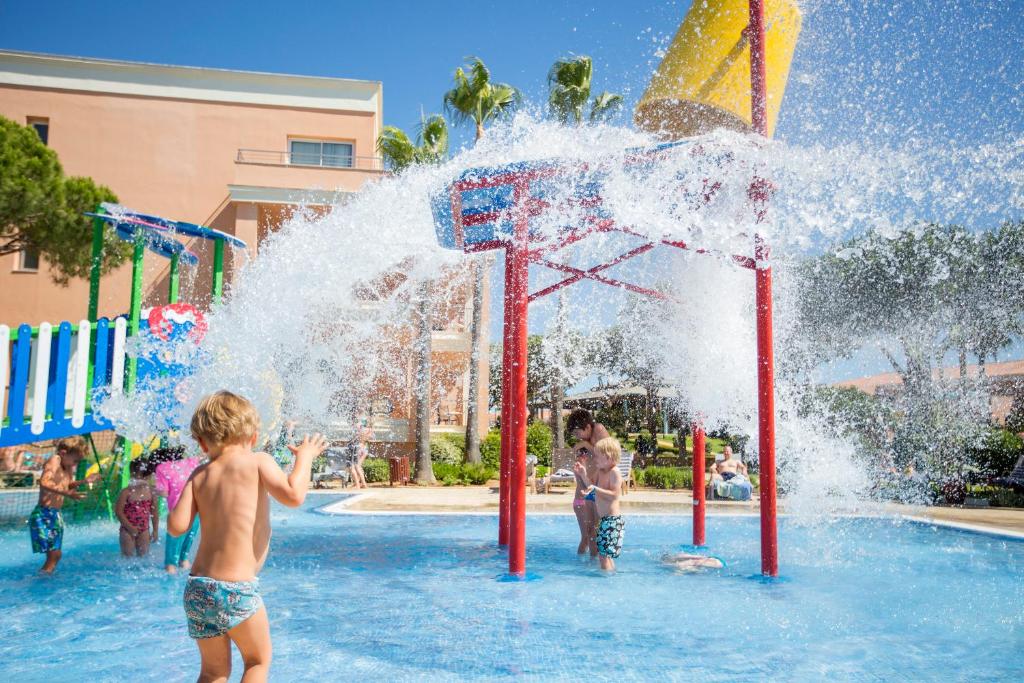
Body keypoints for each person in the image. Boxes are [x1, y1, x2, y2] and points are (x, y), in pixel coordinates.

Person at [168, 390, 325, 683]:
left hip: (198, 589)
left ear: (202, 443)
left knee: (213, 671)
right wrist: (304, 459)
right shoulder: (258, 461)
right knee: (256, 662)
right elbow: (293, 495)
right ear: (253, 436)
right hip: (236, 590)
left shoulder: (199, 475)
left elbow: (176, 527)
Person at [30, 437, 97, 573]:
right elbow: (44, 482)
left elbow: (67, 485)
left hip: (55, 514)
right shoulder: (55, 460)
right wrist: (67, 493)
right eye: (75, 460)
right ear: (63, 453)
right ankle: (41, 582)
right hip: (44, 514)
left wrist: (84, 481)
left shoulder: (67, 468)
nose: (75, 464)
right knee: (54, 555)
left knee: (56, 555)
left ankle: (43, 578)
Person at [575, 436, 624, 571]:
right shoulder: (601, 472)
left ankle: (606, 582)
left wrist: (595, 489)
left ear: (608, 457)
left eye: (597, 456)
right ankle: (610, 576)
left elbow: (615, 495)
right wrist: (583, 474)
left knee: (604, 556)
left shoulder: (615, 472)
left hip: (613, 521)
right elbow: (591, 486)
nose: (594, 459)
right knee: (604, 556)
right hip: (604, 520)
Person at [153, 445, 202, 574]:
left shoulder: (162, 468)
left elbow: (163, 493)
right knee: (184, 556)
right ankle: (184, 563)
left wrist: (152, 489)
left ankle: (171, 569)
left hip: (178, 510)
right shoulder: (191, 462)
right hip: (196, 509)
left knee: (171, 561)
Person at [115, 458, 158, 558]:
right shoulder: (126, 492)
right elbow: (118, 512)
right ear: (132, 475)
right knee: (127, 556)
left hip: (144, 530)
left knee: (143, 557)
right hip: (127, 529)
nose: (142, 480)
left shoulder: (151, 493)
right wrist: (130, 527)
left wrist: (155, 530)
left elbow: (155, 512)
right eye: (138, 476)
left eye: (145, 477)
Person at [571, 449, 598, 556]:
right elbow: (588, 486)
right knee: (586, 537)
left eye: (582, 454)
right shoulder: (579, 467)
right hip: (581, 503)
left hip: (587, 502)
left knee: (591, 536)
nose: (580, 457)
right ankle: (581, 561)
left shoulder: (588, 466)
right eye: (578, 455)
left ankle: (590, 560)